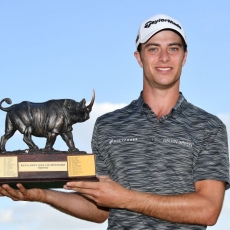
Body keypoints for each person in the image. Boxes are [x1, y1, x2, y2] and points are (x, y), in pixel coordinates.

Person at [0, 14, 229, 229]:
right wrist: (42, 194)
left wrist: (126, 198)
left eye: (173, 48)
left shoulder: (208, 127)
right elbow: (100, 209)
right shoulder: (107, 125)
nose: (164, 57)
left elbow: (207, 209)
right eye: (153, 49)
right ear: (138, 57)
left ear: (184, 57)